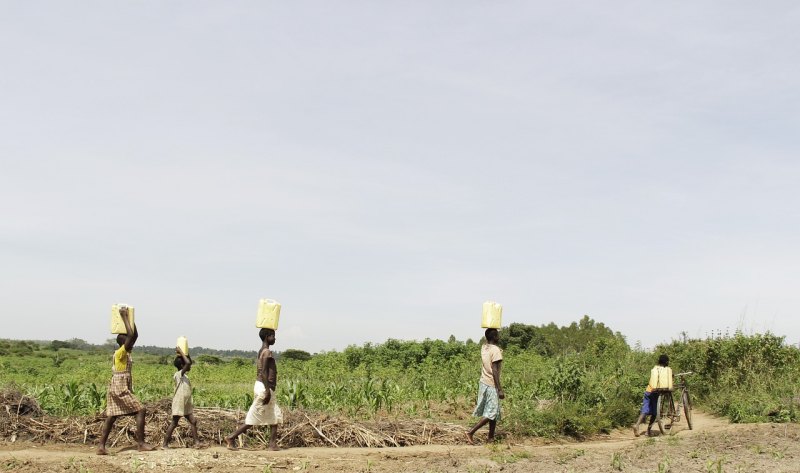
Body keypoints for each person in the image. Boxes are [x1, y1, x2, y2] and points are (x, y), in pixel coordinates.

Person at [97, 307, 155, 455]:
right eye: (129, 342)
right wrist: (124, 317)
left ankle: (101, 447)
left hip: (118, 386)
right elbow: (130, 335)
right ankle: (141, 444)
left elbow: (134, 335)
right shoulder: (121, 352)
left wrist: (131, 318)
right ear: (124, 343)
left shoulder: (124, 352)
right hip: (119, 387)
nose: (133, 343)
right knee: (140, 410)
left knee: (112, 416)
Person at [226, 328, 283, 451]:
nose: (275, 338)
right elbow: (263, 372)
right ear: (267, 336)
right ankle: (231, 437)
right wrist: (267, 391)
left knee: (275, 415)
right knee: (254, 417)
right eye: (273, 335)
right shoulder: (266, 352)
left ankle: (272, 444)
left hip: (265, 387)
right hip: (264, 387)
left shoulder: (262, 350)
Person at [466, 328, 505, 444]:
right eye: (497, 335)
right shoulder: (496, 350)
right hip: (491, 383)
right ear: (494, 337)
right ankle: (470, 432)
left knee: (494, 412)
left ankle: (490, 438)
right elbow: (495, 370)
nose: (499, 337)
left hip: (484, 382)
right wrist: (499, 389)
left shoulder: (484, 348)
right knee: (492, 412)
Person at [163, 347, 206, 449]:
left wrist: (186, 352)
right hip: (179, 402)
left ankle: (197, 443)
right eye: (186, 364)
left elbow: (188, 362)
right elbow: (188, 363)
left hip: (185, 403)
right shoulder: (178, 375)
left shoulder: (185, 376)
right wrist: (182, 353)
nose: (190, 366)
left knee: (193, 421)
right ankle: (164, 444)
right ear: (182, 366)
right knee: (174, 423)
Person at [633, 354, 673, 437]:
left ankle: (636, 425)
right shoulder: (665, 370)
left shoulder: (655, 369)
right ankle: (648, 431)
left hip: (648, 391)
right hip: (655, 393)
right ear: (666, 362)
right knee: (655, 413)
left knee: (645, 410)